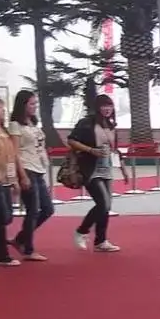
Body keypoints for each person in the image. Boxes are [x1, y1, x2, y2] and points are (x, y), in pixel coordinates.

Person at [66, 95, 123, 253]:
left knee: (106, 207)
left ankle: (101, 240)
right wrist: (91, 150)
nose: (107, 109)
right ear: (97, 107)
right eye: (104, 106)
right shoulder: (86, 123)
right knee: (103, 203)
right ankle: (82, 231)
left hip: (107, 168)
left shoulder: (110, 124)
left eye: (110, 106)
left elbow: (114, 149)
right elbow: (71, 140)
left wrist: (123, 168)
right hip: (91, 168)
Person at [9, 90, 52, 260]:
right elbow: (15, 152)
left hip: (39, 168)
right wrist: (22, 176)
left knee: (47, 209)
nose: (35, 107)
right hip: (26, 168)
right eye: (31, 104)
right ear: (23, 105)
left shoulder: (33, 123)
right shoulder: (15, 125)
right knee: (33, 210)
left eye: (35, 103)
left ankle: (20, 238)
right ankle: (28, 249)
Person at [0, 95, 20, 268]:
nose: (2, 110)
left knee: (6, 216)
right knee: (0, 217)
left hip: (6, 178)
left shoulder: (4, 132)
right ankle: (2, 256)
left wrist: (14, 178)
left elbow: (10, 157)